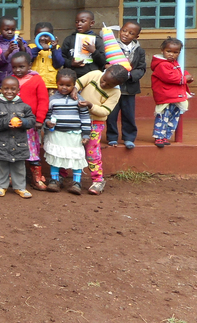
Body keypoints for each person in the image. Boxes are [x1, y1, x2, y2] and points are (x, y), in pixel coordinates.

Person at [76, 65, 128, 195]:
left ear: (117, 84)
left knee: (92, 151)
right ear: (104, 73)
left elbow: (106, 111)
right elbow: (78, 83)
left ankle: (98, 180)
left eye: (109, 84)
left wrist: (90, 106)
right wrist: (74, 90)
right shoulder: (95, 74)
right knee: (71, 146)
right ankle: (63, 175)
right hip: (77, 118)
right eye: (104, 80)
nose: (103, 84)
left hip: (95, 122)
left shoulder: (116, 93)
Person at [0, 76, 36, 199]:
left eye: (13, 89)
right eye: (6, 89)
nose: (9, 92)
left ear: (18, 90)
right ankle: (1, 186)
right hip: (2, 143)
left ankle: (20, 187)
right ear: (0, 89)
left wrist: (22, 122)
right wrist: (5, 122)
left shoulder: (24, 106)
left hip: (19, 144)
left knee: (19, 166)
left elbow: (32, 120)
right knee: (2, 165)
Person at [43, 69, 91, 195]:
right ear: (56, 83)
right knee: (55, 156)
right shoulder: (52, 100)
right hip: (56, 134)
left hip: (74, 134)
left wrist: (86, 134)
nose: (64, 88)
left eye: (68, 85)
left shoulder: (79, 100)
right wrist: (47, 123)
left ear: (74, 85)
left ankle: (76, 182)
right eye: (61, 85)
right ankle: (55, 180)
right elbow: (47, 115)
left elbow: (85, 117)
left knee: (76, 157)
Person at [10, 51, 50, 191]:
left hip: (30, 124)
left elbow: (43, 101)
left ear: (29, 65)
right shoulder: (10, 80)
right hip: (12, 125)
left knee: (32, 150)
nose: (18, 70)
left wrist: (39, 119)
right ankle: (12, 177)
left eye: (21, 66)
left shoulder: (37, 80)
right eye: (15, 67)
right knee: (12, 150)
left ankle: (36, 177)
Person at [106, 21, 147, 149]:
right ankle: (112, 137)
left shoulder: (139, 51)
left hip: (129, 88)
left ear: (136, 37)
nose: (126, 34)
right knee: (111, 114)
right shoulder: (111, 46)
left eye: (131, 33)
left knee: (128, 114)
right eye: (124, 30)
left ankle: (129, 137)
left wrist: (129, 75)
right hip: (113, 87)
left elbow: (141, 69)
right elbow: (104, 61)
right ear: (120, 30)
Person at [151, 37, 193, 147]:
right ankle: (159, 136)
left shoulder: (174, 63)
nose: (171, 54)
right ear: (162, 50)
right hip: (165, 95)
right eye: (168, 51)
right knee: (163, 115)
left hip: (174, 95)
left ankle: (166, 135)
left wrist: (187, 76)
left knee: (173, 117)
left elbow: (180, 71)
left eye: (175, 52)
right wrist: (184, 79)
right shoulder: (162, 64)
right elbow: (169, 77)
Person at [62, 11, 107, 78]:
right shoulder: (69, 39)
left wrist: (94, 51)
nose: (79, 24)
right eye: (77, 22)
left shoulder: (97, 40)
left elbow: (103, 61)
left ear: (92, 23)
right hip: (73, 77)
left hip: (91, 77)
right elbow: (62, 57)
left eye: (83, 21)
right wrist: (71, 63)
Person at [0, 16, 31, 86]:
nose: (10, 32)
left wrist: (22, 46)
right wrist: (8, 51)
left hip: (21, 80)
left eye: (13, 29)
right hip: (3, 80)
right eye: (6, 29)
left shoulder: (21, 42)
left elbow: (28, 58)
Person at [29, 22, 64, 92]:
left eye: (45, 36)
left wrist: (53, 49)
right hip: (34, 84)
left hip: (51, 85)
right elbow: (28, 58)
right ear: (35, 36)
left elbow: (59, 64)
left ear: (51, 37)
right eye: (39, 35)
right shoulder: (31, 47)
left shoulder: (56, 48)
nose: (42, 38)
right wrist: (39, 48)